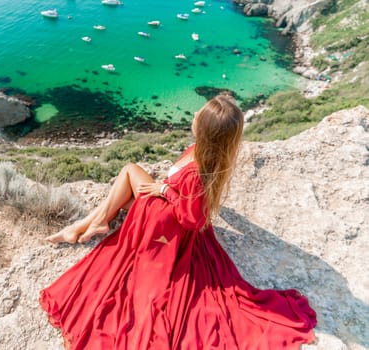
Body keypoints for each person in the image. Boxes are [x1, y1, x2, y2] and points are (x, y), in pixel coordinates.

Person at [40, 95, 317, 349]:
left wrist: (164, 191)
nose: (195, 113)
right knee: (129, 180)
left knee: (128, 172)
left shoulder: (197, 170)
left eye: (200, 114)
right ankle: (89, 224)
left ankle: (88, 225)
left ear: (206, 129)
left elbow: (193, 218)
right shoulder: (205, 152)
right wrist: (166, 190)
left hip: (165, 224)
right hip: (165, 213)